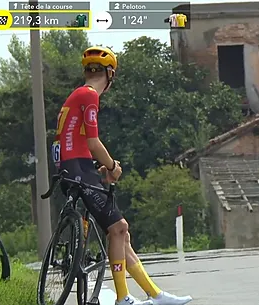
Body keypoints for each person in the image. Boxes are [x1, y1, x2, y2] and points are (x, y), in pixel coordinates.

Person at [53, 46, 192, 305]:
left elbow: (78, 142)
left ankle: (155, 294)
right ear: (110, 74)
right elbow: (93, 142)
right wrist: (113, 165)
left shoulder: (78, 94)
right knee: (119, 228)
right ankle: (123, 298)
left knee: (121, 234)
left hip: (74, 167)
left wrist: (99, 167)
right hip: (78, 169)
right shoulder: (90, 96)